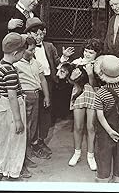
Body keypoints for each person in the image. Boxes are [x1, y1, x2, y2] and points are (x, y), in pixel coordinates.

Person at [25, 17, 75, 159]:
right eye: (36, 34)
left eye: (41, 34)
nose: (39, 37)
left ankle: (41, 140)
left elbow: (58, 64)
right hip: (33, 83)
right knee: (33, 114)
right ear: (29, 34)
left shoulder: (49, 46)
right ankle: (32, 142)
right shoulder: (26, 48)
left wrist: (64, 57)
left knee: (46, 113)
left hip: (48, 82)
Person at [0, 32, 30, 181]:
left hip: (1, 104)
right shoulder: (10, 72)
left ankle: (1, 169)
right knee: (16, 140)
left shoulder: (0, 65)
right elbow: (13, 96)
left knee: (3, 139)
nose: (24, 53)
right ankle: (13, 172)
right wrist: (18, 119)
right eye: (23, 51)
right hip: (12, 108)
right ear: (16, 53)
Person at [93, 55, 119, 183]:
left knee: (103, 155)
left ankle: (104, 178)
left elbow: (100, 115)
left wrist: (110, 131)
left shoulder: (100, 93)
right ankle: (118, 178)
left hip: (105, 132)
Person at [13, 36, 50, 171]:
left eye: (34, 50)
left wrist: (46, 96)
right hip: (25, 97)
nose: (33, 52)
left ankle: (29, 151)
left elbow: (42, 79)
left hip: (36, 96)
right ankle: (22, 158)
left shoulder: (35, 62)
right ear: (22, 50)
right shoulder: (16, 65)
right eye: (31, 50)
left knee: (33, 127)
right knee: (25, 128)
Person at [67, 38, 104, 171]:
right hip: (79, 94)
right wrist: (72, 78)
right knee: (77, 126)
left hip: (93, 94)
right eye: (86, 51)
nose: (87, 54)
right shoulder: (77, 62)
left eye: (91, 52)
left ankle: (90, 155)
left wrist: (90, 74)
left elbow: (95, 85)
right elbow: (71, 82)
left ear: (97, 54)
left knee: (91, 127)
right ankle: (77, 153)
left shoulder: (98, 65)